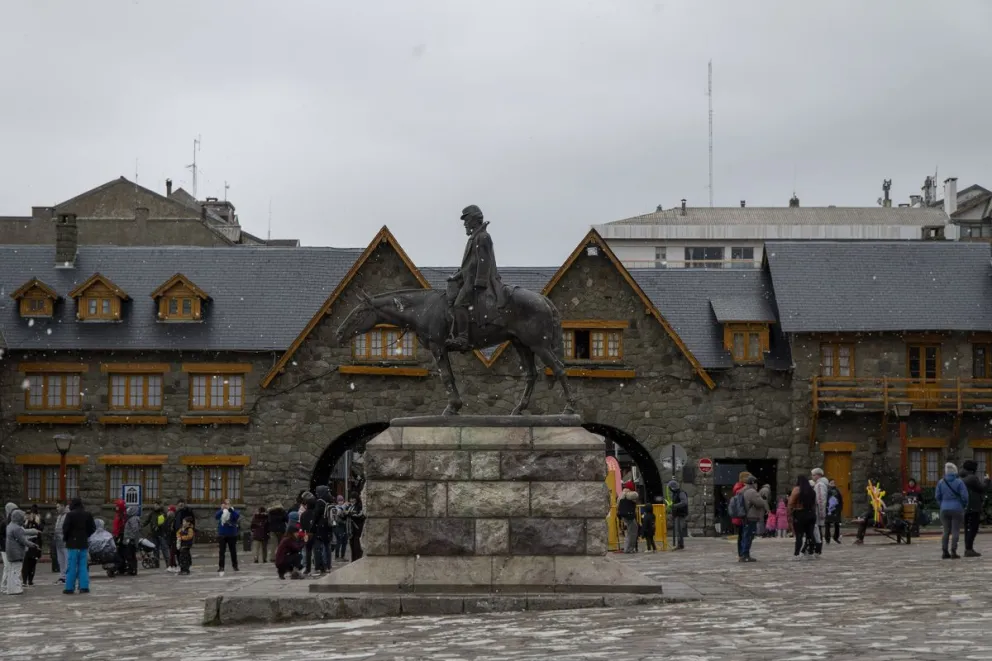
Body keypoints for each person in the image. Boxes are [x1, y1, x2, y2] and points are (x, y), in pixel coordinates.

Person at [444, 204, 507, 351]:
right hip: (469, 278)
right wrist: (456, 276)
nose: (465, 223)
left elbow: (483, 263)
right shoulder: (475, 237)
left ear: (474, 219)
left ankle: (463, 337)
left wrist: (479, 284)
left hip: (478, 281)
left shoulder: (483, 237)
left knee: (459, 304)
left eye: (466, 220)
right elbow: (470, 265)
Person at [61, 496, 95, 595]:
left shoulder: (70, 515)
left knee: (71, 566)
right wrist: (85, 535)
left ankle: (69, 587)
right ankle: (84, 586)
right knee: (83, 566)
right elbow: (92, 528)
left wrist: (66, 538)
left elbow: (65, 529)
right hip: (83, 543)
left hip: (72, 544)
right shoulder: (87, 514)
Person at [935, 462, 969, 560]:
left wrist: (942, 504)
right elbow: (965, 496)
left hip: (944, 508)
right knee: (955, 531)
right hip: (957, 508)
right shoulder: (959, 482)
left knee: (946, 531)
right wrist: (963, 505)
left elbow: (937, 496)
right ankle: (953, 551)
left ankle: (944, 551)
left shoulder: (941, 482)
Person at [3, 509, 38, 595]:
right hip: (16, 553)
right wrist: (33, 545)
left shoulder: (10, 526)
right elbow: (23, 540)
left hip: (10, 552)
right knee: (16, 571)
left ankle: (10, 588)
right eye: (22, 517)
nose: (24, 519)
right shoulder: (17, 528)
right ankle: (15, 589)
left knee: (11, 571)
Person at [959, 459, 988, 557]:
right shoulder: (972, 478)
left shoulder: (962, 476)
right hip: (973, 506)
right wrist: (987, 481)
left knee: (968, 528)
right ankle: (969, 549)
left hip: (966, 507)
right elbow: (982, 488)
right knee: (973, 528)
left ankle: (968, 548)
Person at [739, 476, 769, 562]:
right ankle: (745, 555)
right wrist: (762, 499)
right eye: (756, 483)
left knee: (745, 535)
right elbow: (760, 503)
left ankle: (743, 554)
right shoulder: (752, 491)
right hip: (751, 517)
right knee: (748, 536)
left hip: (745, 516)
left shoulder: (743, 490)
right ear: (753, 483)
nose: (757, 485)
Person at [788, 475, 817, 560]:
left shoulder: (797, 489)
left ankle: (796, 554)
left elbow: (791, 503)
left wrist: (789, 514)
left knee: (799, 535)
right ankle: (811, 552)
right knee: (810, 535)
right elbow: (814, 504)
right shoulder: (812, 491)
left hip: (800, 513)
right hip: (811, 514)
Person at [311, 486, 333, 575]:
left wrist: (312, 526)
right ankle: (328, 565)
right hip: (328, 527)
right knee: (327, 547)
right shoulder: (329, 501)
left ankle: (319, 566)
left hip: (320, 528)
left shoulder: (320, 502)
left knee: (318, 547)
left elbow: (315, 516)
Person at [215, 498, 240, 576]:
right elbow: (216, 517)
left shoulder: (234, 511)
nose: (227, 505)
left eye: (228, 503)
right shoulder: (221, 511)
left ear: (231, 504)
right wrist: (222, 510)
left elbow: (236, 517)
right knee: (221, 551)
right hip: (222, 534)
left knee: (233, 551)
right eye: (225, 503)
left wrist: (230, 510)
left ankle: (235, 566)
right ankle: (221, 567)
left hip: (232, 534)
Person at [811, 468, 829, 556]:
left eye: (813, 475)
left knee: (817, 530)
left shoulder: (819, 485)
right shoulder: (820, 484)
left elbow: (821, 500)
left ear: (818, 475)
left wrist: (821, 513)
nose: (812, 477)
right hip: (818, 510)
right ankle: (817, 548)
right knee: (817, 530)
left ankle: (817, 548)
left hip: (818, 511)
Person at [144, 503, 169, 568]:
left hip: (162, 534)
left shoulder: (163, 513)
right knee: (155, 549)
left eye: (157, 505)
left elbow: (166, 522)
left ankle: (168, 564)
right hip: (154, 534)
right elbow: (147, 521)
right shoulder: (152, 513)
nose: (155, 506)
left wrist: (159, 526)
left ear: (160, 505)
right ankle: (156, 563)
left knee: (164, 549)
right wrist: (141, 526)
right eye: (155, 505)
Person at [617, 481, 639, 553]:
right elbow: (636, 495)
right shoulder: (630, 494)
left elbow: (618, 504)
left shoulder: (621, 495)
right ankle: (629, 549)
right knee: (632, 532)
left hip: (623, 515)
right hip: (629, 516)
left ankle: (627, 548)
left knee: (628, 533)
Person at [668, 479, 688, 550]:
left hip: (681, 514)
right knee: (678, 530)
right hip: (677, 514)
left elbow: (684, 502)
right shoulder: (675, 493)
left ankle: (680, 544)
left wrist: (675, 506)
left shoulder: (681, 493)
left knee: (679, 529)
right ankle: (680, 544)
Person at [0, 502, 15, 595]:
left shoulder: (12, 522)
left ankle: (9, 584)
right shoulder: (4, 523)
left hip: (10, 547)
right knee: (7, 566)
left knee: (10, 566)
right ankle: (4, 585)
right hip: (5, 548)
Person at [121, 506, 141, 575]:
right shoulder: (131, 519)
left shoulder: (133, 519)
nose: (127, 512)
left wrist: (131, 539)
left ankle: (132, 569)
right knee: (131, 555)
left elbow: (135, 530)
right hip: (130, 539)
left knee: (130, 555)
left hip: (130, 540)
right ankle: (132, 569)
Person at [53, 500, 69, 584]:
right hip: (58, 541)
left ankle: (67, 576)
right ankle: (62, 576)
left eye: (58, 506)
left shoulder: (68, 515)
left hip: (65, 542)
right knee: (61, 560)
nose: (57, 508)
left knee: (66, 560)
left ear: (63, 506)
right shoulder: (59, 516)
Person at [348, 493, 366, 562]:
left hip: (357, 529)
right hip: (351, 530)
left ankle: (357, 560)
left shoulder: (359, 506)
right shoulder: (350, 507)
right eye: (351, 498)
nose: (352, 500)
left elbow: (360, 516)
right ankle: (353, 560)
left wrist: (351, 515)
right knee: (352, 547)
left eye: (353, 498)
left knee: (357, 547)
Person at [825, 480, 843, 544]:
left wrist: (840, 508)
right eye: (831, 483)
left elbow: (840, 500)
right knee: (827, 524)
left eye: (834, 483)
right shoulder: (827, 491)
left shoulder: (837, 491)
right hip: (828, 509)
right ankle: (827, 538)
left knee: (837, 524)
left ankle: (836, 537)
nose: (833, 484)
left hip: (836, 509)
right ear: (829, 483)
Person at [332, 495, 350, 560]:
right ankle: (337, 556)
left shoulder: (345, 507)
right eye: (339, 501)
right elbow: (338, 514)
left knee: (345, 541)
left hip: (344, 526)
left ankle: (343, 556)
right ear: (337, 501)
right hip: (338, 526)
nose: (340, 502)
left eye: (342, 500)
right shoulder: (335, 508)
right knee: (339, 541)